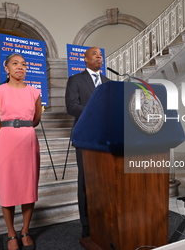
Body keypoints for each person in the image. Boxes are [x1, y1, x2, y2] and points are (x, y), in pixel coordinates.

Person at [0, 53, 42, 250]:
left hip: (28, 141)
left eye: (24, 64)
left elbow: (36, 119)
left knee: (28, 186)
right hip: (6, 141)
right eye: (15, 63)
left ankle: (25, 230)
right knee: (7, 186)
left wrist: (24, 130)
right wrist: (6, 133)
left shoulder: (34, 92)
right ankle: (11, 232)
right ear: (6, 67)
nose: (20, 67)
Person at [65, 46, 111, 238]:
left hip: (107, 138)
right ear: (85, 59)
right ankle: (86, 222)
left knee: (104, 181)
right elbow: (72, 106)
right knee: (85, 181)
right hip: (85, 137)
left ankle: (104, 217)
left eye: (101, 55)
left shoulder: (109, 82)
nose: (99, 57)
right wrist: (96, 111)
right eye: (95, 54)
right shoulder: (76, 79)